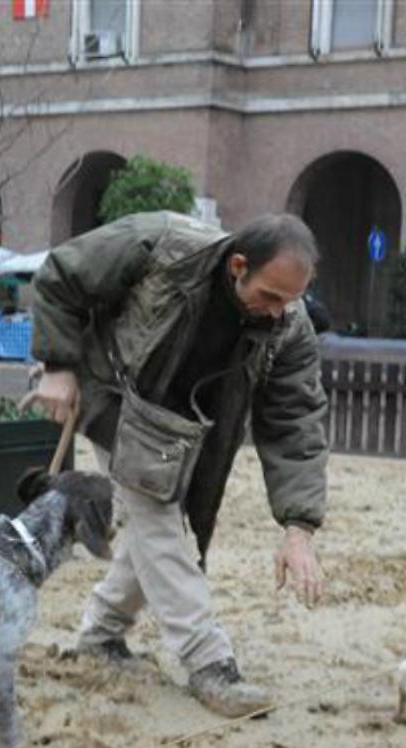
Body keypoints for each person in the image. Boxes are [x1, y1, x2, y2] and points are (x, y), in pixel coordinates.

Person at [30, 211, 328, 718]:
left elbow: (295, 421)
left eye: (293, 300)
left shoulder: (289, 328)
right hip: (118, 398)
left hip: (194, 430)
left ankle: (100, 634)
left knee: (154, 533)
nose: (280, 313)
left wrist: (298, 525)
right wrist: (58, 365)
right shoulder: (161, 246)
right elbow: (60, 275)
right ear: (238, 266)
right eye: (271, 297)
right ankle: (209, 663)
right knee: (158, 523)